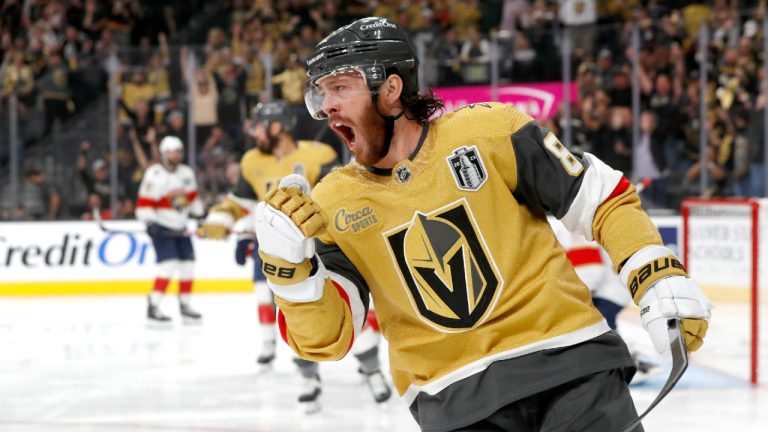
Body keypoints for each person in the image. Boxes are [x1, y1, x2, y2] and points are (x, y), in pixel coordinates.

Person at [223, 17, 711, 432]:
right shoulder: (333, 201)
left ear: (391, 89)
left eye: (341, 87)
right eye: (322, 93)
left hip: (572, 368)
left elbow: (601, 197)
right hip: (456, 405)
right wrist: (292, 274)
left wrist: (655, 272)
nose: (326, 105)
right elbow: (330, 338)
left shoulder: (490, 131)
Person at [201, 101, 392, 412]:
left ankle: (372, 371)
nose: (255, 132)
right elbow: (238, 201)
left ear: (278, 127)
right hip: (280, 252)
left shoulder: (319, 154)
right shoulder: (251, 161)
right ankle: (309, 378)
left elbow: (339, 196)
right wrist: (220, 218)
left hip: (326, 249)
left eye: (260, 126)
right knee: (294, 315)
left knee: (348, 310)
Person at [136, 136, 204, 324]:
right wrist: (150, 223)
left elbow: (192, 198)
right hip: (162, 228)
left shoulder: (186, 173)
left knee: (188, 266)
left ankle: (185, 305)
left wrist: (199, 217)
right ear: (165, 153)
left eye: (179, 151)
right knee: (169, 265)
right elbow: (144, 203)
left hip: (180, 227)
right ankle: (153, 304)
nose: (177, 155)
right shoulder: (154, 174)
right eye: (173, 152)